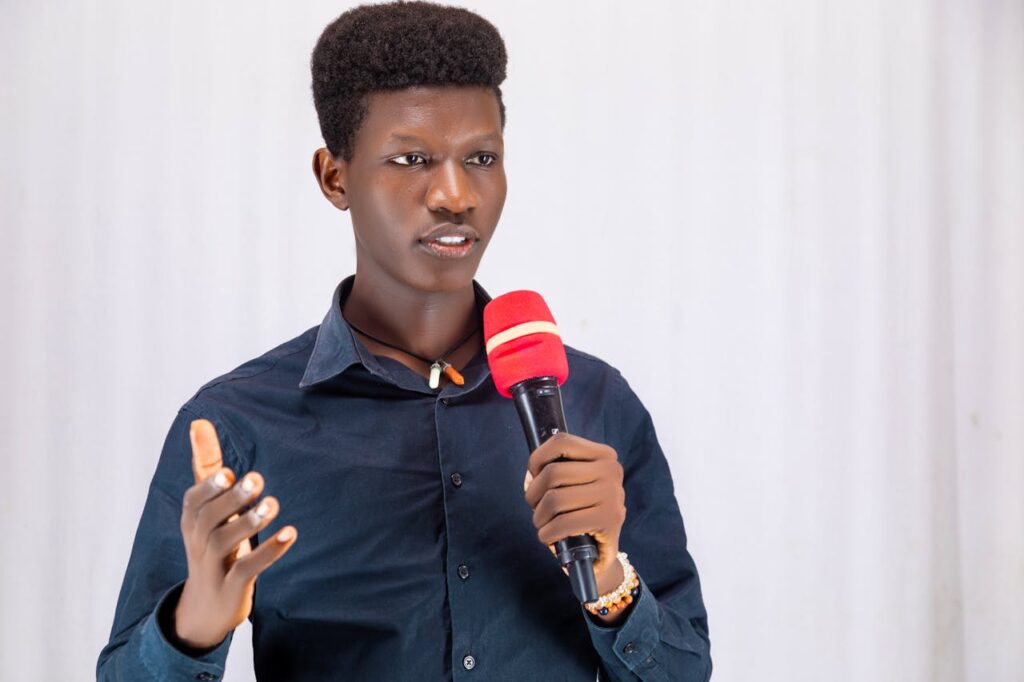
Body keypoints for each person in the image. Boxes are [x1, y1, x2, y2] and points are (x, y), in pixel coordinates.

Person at [97, 2, 711, 680]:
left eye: (480, 157)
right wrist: (194, 626)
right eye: (412, 158)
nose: (455, 195)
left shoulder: (593, 400)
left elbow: (685, 670)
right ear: (336, 178)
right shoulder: (237, 428)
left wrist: (610, 580)